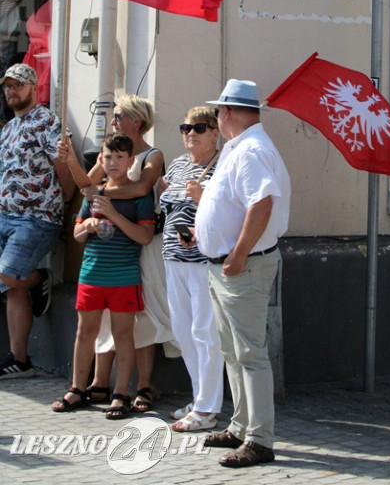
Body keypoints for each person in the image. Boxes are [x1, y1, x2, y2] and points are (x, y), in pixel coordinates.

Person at [58, 94, 177, 411]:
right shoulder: (107, 154)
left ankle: (141, 386)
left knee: (145, 313)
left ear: (136, 121)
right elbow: (85, 184)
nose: (113, 119)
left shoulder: (152, 155)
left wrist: (102, 198)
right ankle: (98, 382)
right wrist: (70, 160)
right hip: (109, 248)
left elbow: (140, 189)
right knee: (102, 321)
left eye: (119, 115)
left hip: (141, 236)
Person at [195, 79, 291, 469]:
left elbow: (262, 204)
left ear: (227, 112)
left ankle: (259, 439)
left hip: (242, 266)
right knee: (234, 352)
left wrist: (237, 253)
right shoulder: (244, 147)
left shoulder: (250, 150)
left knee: (249, 353)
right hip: (230, 266)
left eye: (218, 111)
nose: (217, 117)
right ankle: (241, 427)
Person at [52, 133, 155, 418]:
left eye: (120, 157)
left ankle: (121, 393)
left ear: (131, 161)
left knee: (123, 335)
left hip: (124, 277)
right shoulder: (92, 193)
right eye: (108, 157)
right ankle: (77, 388)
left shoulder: (139, 195)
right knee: (85, 332)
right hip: (91, 274)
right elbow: (76, 234)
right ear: (101, 159)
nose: (113, 163)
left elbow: (145, 237)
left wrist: (114, 215)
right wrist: (90, 226)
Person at [0, 64, 75, 379]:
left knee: (7, 277)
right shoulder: (8, 128)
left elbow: (64, 166)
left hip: (37, 217)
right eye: (7, 86)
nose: (11, 91)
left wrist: (65, 203)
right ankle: (21, 360)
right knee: (9, 288)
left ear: (33, 87)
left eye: (17, 85)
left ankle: (38, 277)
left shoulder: (47, 121)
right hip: (5, 214)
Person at [160, 106, 224, 432]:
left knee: (205, 334)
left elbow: (230, 214)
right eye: (186, 128)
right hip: (173, 257)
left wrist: (201, 198)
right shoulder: (178, 165)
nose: (191, 134)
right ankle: (200, 398)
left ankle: (209, 408)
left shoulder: (222, 165)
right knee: (184, 333)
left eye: (199, 128)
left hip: (203, 261)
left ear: (215, 132)